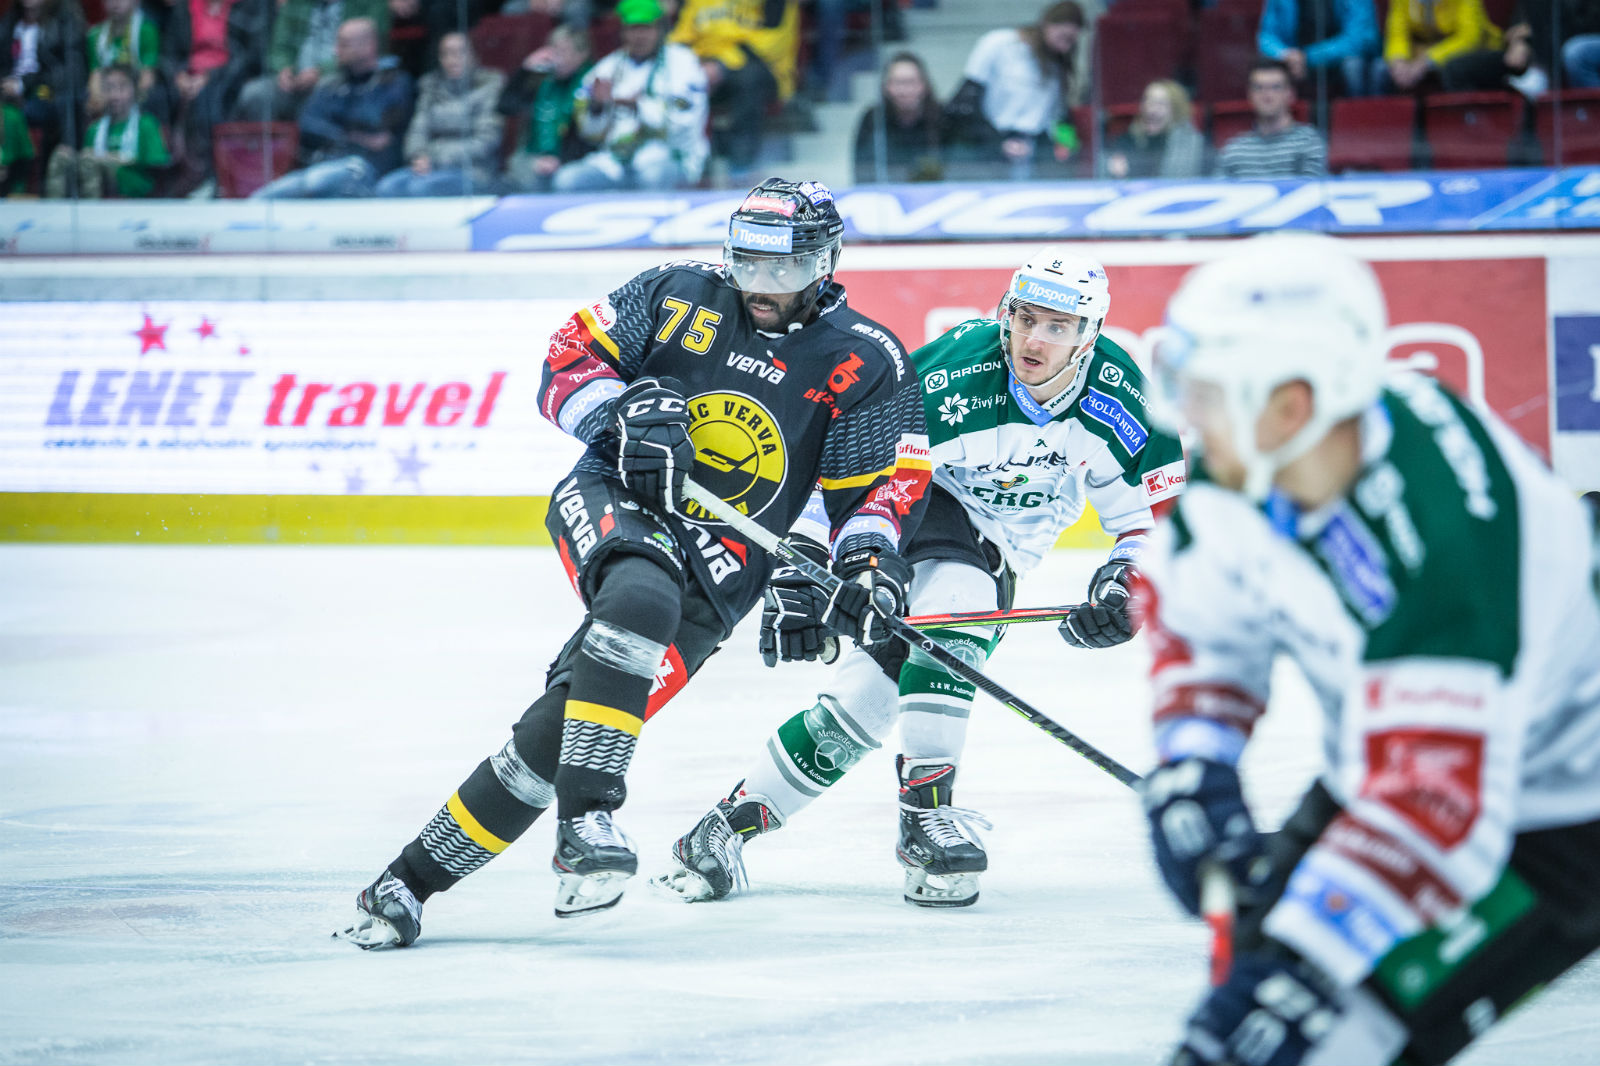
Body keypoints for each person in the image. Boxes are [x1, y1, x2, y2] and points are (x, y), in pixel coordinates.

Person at [333, 177, 931, 949]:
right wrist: (622, 416)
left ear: (825, 263)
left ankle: (404, 885)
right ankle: (588, 823)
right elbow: (565, 360)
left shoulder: (865, 358)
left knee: (554, 736)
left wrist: (864, 566)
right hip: (619, 495)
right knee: (642, 599)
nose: (759, 284)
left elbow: (875, 490)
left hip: (725, 571)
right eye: (746, 263)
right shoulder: (677, 293)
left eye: (781, 268)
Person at [1137, 231, 1600, 1066]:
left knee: (1324, 1035)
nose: (1187, 417)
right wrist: (1195, 761)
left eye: (1204, 393)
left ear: (1292, 404)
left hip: (1562, 816)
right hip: (1397, 768)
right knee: (1255, 1008)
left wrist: (1305, 965)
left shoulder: (1450, 538)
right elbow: (1198, 613)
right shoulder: (1256, 457)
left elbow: (1437, 804)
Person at [655, 250, 1186, 909]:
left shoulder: (1124, 399)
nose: (1033, 340)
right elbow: (851, 464)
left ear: (1089, 335)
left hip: (1005, 551)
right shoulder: (956, 371)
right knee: (961, 600)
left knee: (869, 703)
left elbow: (1158, 525)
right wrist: (809, 563)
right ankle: (927, 817)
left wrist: (1125, 587)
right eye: (1024, 318)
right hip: (913, 510)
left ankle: (720, 830)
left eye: (1056, 327)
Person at [552, 0, 707, 192]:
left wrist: (639, 106)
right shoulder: (605, 69)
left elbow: (684, 126)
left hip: (668, 157)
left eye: (646, 28)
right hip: (614, 162)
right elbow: (590, 134)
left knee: (651, 177)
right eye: (633, 29)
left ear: (660, 30)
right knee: (567, 180)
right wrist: (597, 107)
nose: (639, 36)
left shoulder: (683, 63)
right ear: (623, 32)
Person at [251, 18, 415, 198]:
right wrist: (351, 136)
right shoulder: (331, 84)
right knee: (264, 197)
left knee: (314, 182)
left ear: (369, 46)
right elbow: (308, 123)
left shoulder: (394, 83)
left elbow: (378, 123)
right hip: (326, 164)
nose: (335, 51)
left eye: (344, 45)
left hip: (367, 168)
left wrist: (342, 128)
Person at [943, 0, 1084, 181]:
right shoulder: (1000, 44)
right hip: (990, 142)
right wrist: (997, 143)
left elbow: (1060, 117)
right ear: (1048, 25)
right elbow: (967, 100)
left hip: (1034, 149)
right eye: (1063, 37)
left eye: (1071, 41)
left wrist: (1068, 149)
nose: (1065, 47)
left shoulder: (1057, 65)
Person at [669, 0, 798, 184]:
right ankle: (692, 167)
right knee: (680, 82)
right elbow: (681, 37)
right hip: (705, 64)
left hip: (759, 63)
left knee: (748, 79)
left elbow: (773, 41)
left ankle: (741, 167)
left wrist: (722, 63)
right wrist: (691, 64)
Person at [375, 32, 503, 196]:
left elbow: (486, 141)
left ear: (474, 55)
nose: (452, 59)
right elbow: (417, 131)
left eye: (459, 52)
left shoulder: (490, 87)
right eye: (446, 54)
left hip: (473, 171)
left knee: (421, 189)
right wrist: (419, 155)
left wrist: (435, 157)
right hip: (428, 166)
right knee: (387, 187)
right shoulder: (430, 86)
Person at [231, 0, 390, 121]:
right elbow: (280, 46)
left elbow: (370, 49)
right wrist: (284, 69)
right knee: (254, 94)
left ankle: (316, 149)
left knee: (324, 90)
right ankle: (272, 152)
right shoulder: (296, 3)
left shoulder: (368, 3)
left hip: (341, 77)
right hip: (294, 81)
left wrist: (321, 71)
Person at [44, 62, 171, 197]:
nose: (114, 95)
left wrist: (114, 159)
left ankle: (92, 207)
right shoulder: (95, 128)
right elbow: (85, 163)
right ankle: (56, 208)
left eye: (122, 87)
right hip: (97, 178)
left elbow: (158, 162)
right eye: (108, 88)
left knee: (91, 162)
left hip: (134, 187)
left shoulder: (146, 124)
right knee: (60, 158)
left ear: (135, 90)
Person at [497, 22, 592, 193]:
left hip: (575, 159)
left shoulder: (591, 81)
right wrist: (525, 70)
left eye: (563, 51)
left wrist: (560, 160)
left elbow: (590, 135)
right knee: (510, 176)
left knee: (563, 180)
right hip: (535, 157)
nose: (556, 58)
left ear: (582, 54)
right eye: (553, 50)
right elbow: (506, 106)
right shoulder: (542, 79)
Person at [1215, 58, 1327, 180]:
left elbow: (1310, 190)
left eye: (1275, 87)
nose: (1267, 95)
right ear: (1249, 94)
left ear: (1290, 94)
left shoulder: (1308, 142)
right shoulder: (1234, 150)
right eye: (1259, 88)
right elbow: (1217, 190)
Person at [851, 50, 944, 185]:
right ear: (886, 87)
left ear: (923, 85)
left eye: (910, 82)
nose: (904, 90)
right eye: (898, 83)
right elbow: (863, 170)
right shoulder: (873, 119)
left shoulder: (942, 117)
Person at [1370, 0, 1501, 95]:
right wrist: (1399, 61)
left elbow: (1470, 37)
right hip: (1422, 49)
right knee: (1382, 69)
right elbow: (1397, 33)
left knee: (1453, 68)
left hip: (1472, 50)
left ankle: (1461, 120)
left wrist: (1426, 61)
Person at [1257, 0, 1380, 99]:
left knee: (1353, 66)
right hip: (1296, 64)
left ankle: (1358, 117)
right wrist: (1285, 54)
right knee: (1270, 70)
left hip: (1338, 63)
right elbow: (1267, 36)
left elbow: (1360, 37)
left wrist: (1308, 57)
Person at [1104, 79, 1209, 180]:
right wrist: (1112, 172)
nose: (1151, 110)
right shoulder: (1125, 142)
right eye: (1147, 101)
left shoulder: (1195, 146)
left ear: (1176, 111)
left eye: (1160, 104)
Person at [86, 0, 162, 118]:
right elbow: (95, 75)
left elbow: (147, 77)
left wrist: (123, 99)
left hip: (136, 101)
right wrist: (99, 98)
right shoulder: (94, 35)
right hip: (107, 100)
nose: (116, 3)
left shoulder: (147, 30)